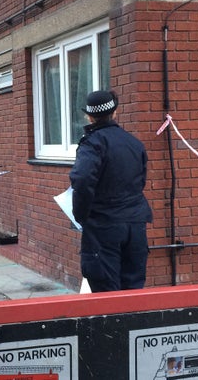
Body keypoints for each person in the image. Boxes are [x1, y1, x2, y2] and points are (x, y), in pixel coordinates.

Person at [69, 90, 152, 292]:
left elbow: (82, 179)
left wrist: (81, 215)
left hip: (103, 227)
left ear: (89, 116)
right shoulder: (134, 143)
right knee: (133, 288)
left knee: (107, 292)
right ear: (115, 112)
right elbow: (140, 181)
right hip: (135, 224)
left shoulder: (93, 143)